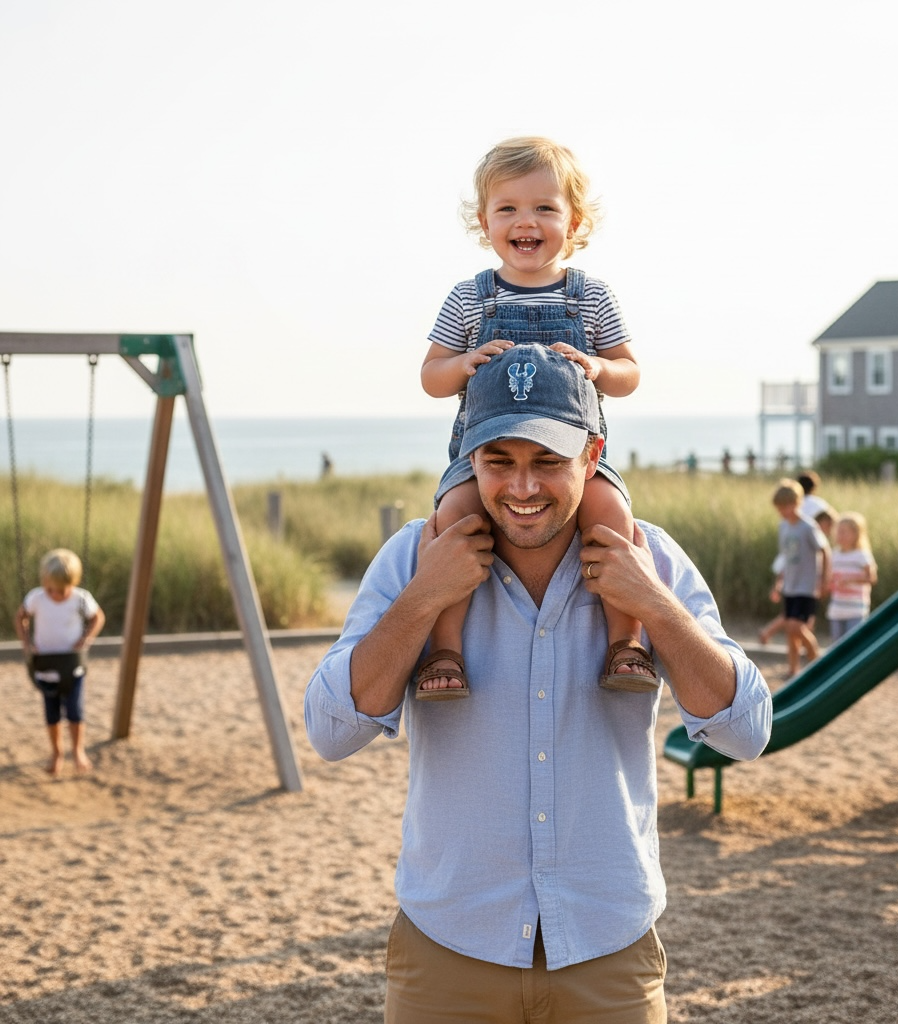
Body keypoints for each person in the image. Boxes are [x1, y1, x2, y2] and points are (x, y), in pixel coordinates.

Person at [305, 344, 772, 1023]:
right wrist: (424, 597)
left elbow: (745, 731)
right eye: (500, 462)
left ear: (593, 453)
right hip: (447, 953)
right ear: (469, 459)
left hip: (608, 952)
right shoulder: (414, 554)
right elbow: (331, 732)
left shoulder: (651, 557)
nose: (522, 488)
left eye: (548, 462)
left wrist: (654, 606)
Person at [418, 136, 651, 699]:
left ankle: (627, 641)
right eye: (509, 209)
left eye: (545, 208)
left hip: (571, 459)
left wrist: (597, 366)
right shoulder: (470, 299)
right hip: (488, 459)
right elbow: (431, 377)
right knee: (454, 515)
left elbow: (629, 372)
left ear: (574, 222)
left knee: (611, 513)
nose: (528, 221)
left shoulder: (590, 297)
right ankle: (444, 647)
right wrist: (464, 364)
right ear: (485, 221)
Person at [14, 548, 105, 775]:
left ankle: (78, 750)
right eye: (51, 589)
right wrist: (26, 643)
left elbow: (97, 617)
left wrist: (86, 638)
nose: (56, 594)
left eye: (62, 589)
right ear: (45, 582)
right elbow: (20, 617)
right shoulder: (37, 597)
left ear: (73, 583)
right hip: (45, 666)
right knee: (52, 714)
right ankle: (57, 753)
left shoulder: (80, 598)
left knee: (75, 712)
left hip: (72, 666)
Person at [771, 479, 831, 678]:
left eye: (785, 507)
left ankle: (816, 659)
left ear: (797, 503)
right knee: (791, 632)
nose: (782, 511)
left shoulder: (808, 526)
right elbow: (786, 558)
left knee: (796, 626)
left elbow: (825, 550)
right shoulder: (783, 527)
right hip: (790, 585)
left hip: (806, 586)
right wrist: (778, 583)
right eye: (779, 508)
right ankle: (793, 669)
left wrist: (824, 580)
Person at [827, 512, 877, 641]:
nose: (840, 535)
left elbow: (871, 578)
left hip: (856, 608)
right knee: (837, 643)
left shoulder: (862, 555)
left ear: (856, 534)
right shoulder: (835, 554)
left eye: (844, 532)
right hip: (837, 607)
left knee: (853, 642)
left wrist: (850, 580)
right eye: (838, 532)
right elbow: (829, 576)